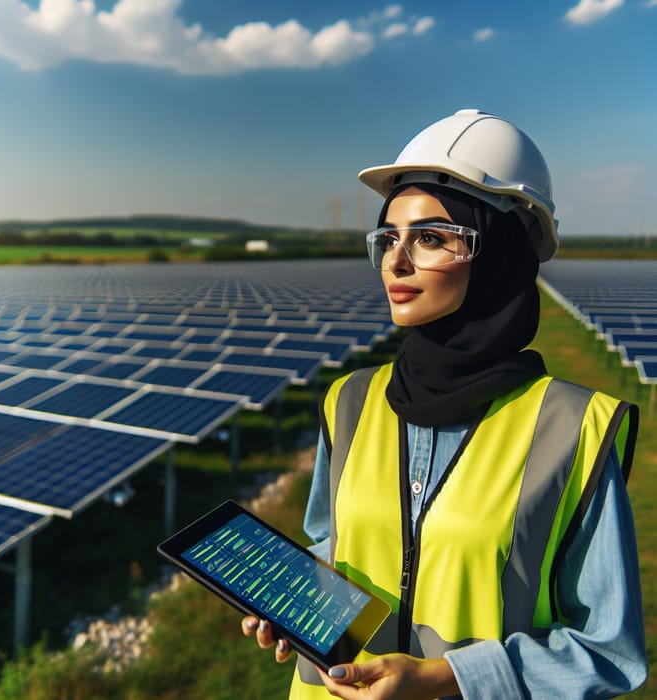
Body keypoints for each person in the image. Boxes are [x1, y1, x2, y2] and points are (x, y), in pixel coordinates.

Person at [242, 108, 648, 699]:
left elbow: (609, 651)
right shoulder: (351, 400)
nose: (396, 261)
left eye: (431, 238)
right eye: (389, 237)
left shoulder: (576, 431)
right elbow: (334, 545)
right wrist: (291, 602)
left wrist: (447, 679)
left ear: (500, 253)